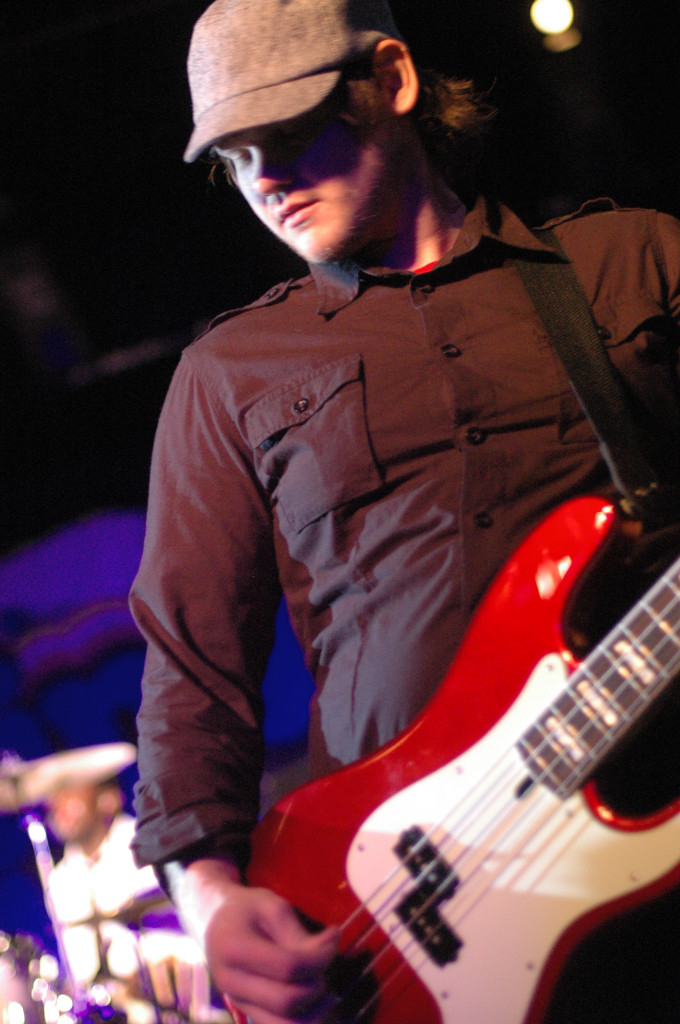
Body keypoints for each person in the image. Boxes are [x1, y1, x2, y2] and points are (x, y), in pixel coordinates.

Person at [128, 0, 680, 1021]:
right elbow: (193, 673)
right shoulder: (228, 377)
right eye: (235, 158)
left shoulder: (633, 261)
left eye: (285, 131)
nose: (263, 180)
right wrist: (205, 896)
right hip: (399, 918)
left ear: (391, 80)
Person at [46, 775, 217, 1024]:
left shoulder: (151, 843)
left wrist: (144, 976)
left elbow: (188, 928)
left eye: (68, 791)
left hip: (180, 999)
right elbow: (79, 970)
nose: (57, 804)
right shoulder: (59, 879)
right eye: (54, 798)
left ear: (108, 800)